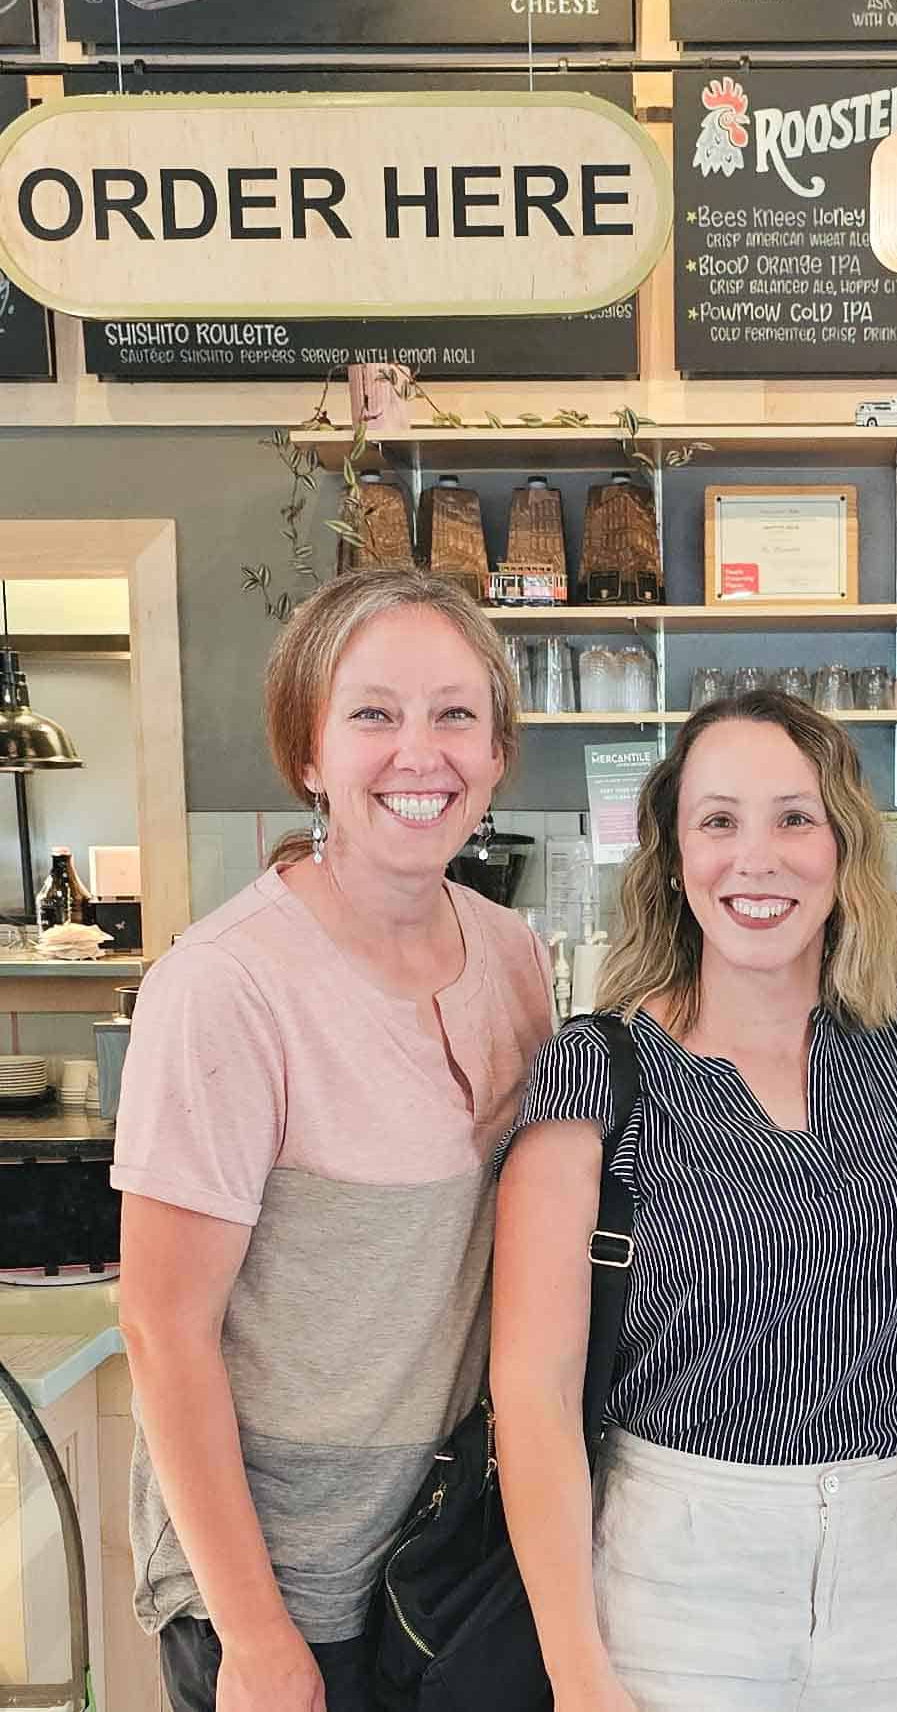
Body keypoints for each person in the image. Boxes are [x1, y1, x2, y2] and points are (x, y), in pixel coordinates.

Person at [113, 569, 553, 1712]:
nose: (422, 752)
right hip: (280, 1585)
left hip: (447, 1563)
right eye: (372, 714)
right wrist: (256, 1635)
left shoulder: (511, 954)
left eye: (456, 714)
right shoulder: (227, 985)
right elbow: (163, 1328)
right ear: (307, 753)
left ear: (498, 751)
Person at [490, 690, 897, 1711]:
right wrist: (577, 1669)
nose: (755, 857)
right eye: (719, 820)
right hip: (677, 1579)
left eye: (794, 818)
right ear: (673, 857)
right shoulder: (601, 1069)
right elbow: (531, 1397)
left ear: (844, 851)